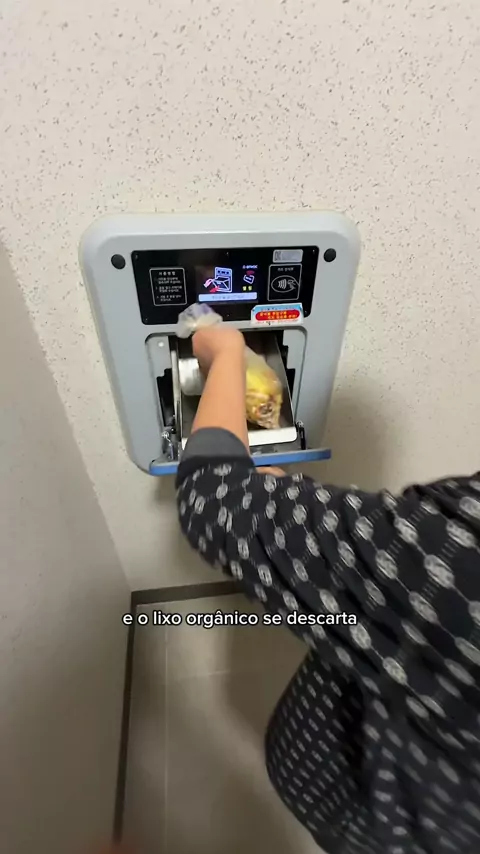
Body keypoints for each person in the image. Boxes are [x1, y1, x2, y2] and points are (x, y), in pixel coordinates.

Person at [175, 325, 480, 854]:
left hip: (369, 820)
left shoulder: (458, 550)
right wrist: (290, 502)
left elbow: (212, 496)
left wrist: (223, 351)